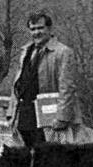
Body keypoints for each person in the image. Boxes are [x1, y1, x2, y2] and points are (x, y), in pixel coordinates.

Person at [6, 12, 82, 147]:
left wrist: (62, 117)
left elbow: (67, 88)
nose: (36, 33)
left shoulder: (63, 52)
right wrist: (11, 112)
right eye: (33, 29)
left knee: (49, 160)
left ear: (49, 29)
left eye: (40, 28)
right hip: (25, 115)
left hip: (49, 119)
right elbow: (17, 84)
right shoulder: (25, 51)